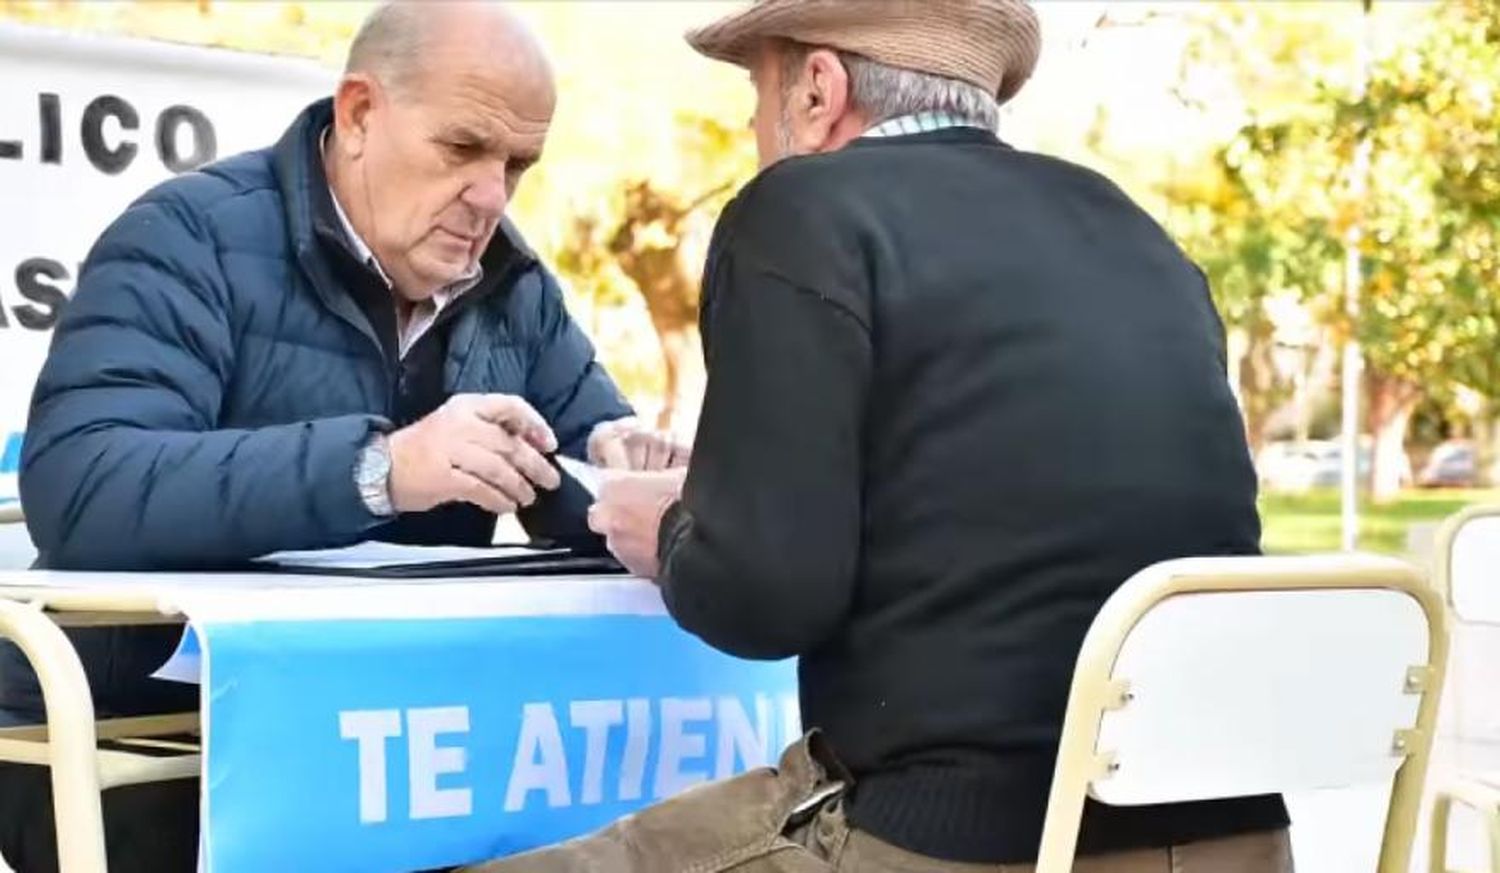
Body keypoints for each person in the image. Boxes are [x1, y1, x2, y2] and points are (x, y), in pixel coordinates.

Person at [480, 1, 1293, 871]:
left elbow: (766, 596)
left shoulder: (800, 210)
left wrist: (672, 535)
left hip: (956, 831)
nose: (754, 130)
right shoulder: (1136, 231)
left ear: (819, 89)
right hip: (1235, 834)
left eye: (757, 97)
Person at [3, 3, 683, 870]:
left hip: (394, 743)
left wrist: (621, 479)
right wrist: (381, 469)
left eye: (517, 163)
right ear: (360, 114)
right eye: (463, 148)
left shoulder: (513, 284)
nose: (492, 195)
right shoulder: (187, 236)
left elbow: (576, 467)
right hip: (149, 738)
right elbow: (83, 485)